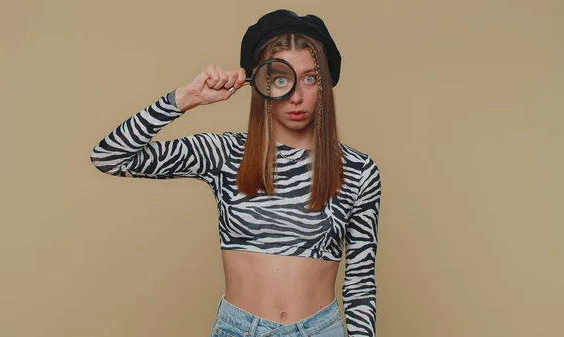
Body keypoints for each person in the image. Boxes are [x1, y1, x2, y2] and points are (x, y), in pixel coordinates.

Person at [90, 9, 381, 337]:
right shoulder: (224, 154)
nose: (297, 95)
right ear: (261, 84)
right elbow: (110, 156)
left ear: (325, 84)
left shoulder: (358, 171)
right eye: (281, 79)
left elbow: (359, 285)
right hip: (239, 330)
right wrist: (185, 99)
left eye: (310, 78)